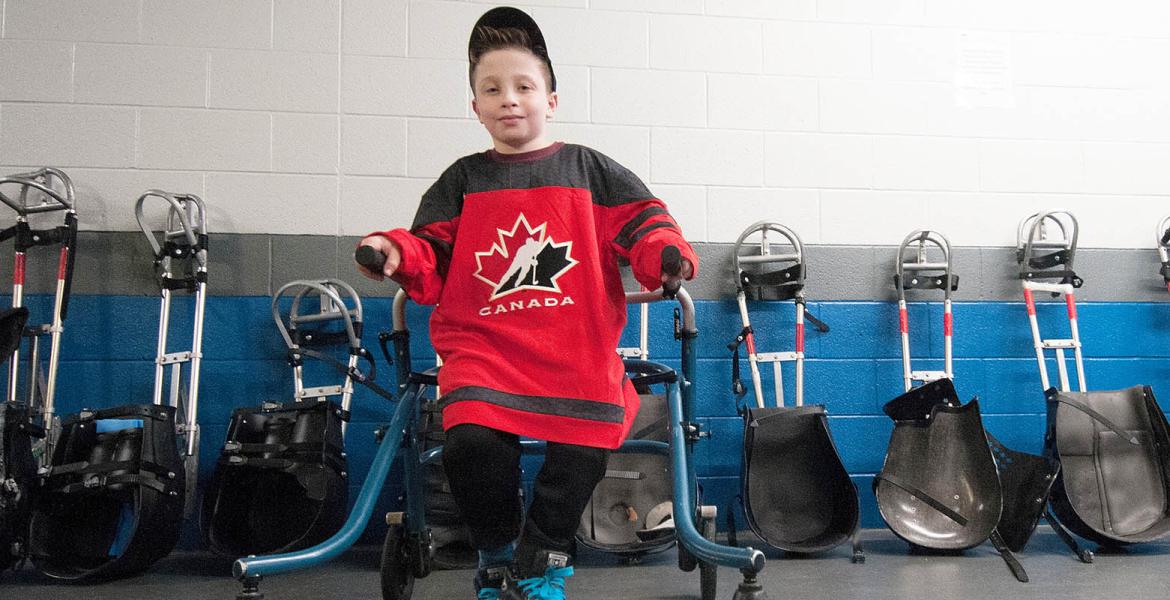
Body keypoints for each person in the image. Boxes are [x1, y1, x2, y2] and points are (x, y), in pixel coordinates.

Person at [355, 7, 697, 599]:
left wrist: (665, 255)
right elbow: (428, 255)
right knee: (469, 445)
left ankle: (542, 560)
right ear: (475, 107)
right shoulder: (461, 180)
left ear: (551, 98)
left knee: (586, 442)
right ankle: (496, 552)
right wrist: (392, 250)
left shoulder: (590, 170)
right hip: (484, 351)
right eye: (492, 89)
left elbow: (646, 225)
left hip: (576, 350)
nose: (509, 99)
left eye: (524, 86)